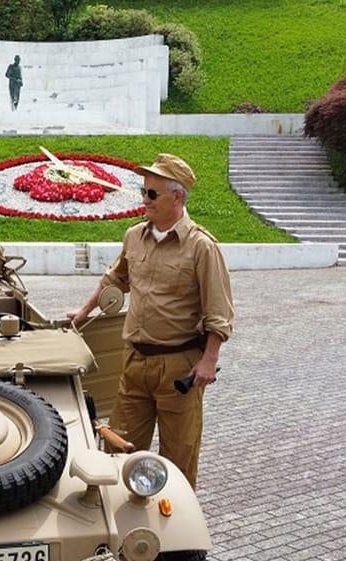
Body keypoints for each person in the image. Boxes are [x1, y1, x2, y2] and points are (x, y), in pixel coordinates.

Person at [68, 153, 233, 489]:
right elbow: (115, 280)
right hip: (135, 363)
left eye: (152, 194)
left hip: (179, 369)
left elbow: (219, 312)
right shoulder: (134, 237)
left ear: (178, 197)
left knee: (178, 458)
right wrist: (83, 312)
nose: (144, 200)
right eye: (143, 191)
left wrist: (208, 362)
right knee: (118, 448)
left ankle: (175, 535)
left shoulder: (202, 247)